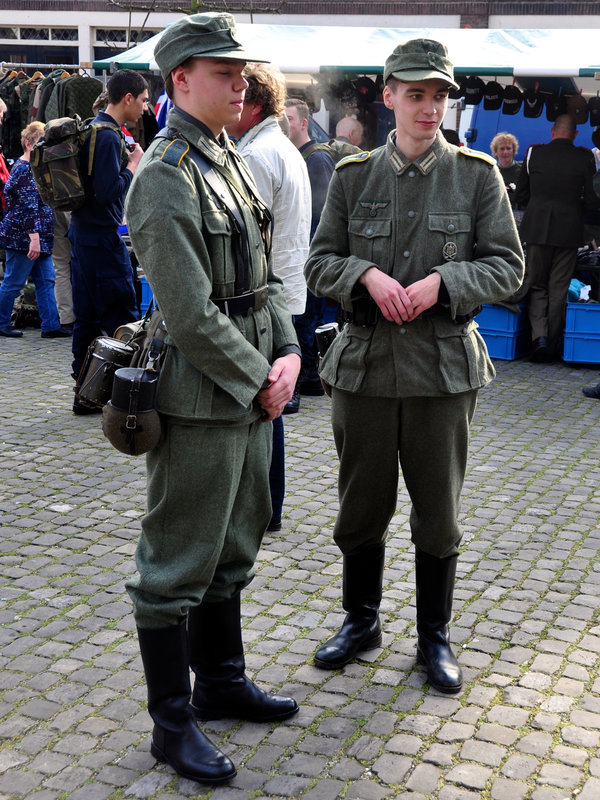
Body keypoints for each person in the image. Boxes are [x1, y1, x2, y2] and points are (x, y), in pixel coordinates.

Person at [304, 38, 524, 694]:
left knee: (439, 512)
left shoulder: (477, 175)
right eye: (417, 94)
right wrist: (365, 274)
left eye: (439, 96)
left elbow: (509, 266)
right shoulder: (352, 176)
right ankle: (361, 621)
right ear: (389, 93)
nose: (429, 108)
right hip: (365, 368)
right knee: (359, 508)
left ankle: (434, 636)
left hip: (442, 370)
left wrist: (444, 283)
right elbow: (317, 263)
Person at [123, 12, 301, 785]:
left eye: (241, 72)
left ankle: (221, 681)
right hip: (203, 397)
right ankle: (171, 723)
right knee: (175, 563)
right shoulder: (164, 175)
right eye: (222, 71)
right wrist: (259, 376)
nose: (240, 82)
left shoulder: (228, 156)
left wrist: (292, 350)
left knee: (236, 543)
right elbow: (189, 310)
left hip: (250, 387)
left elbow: (261, 281)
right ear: (179, 80)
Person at [226, 63, 311, 532]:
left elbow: (246, 237)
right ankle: (267, 506)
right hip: (283, 287)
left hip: (266, 293)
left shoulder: (257, 153)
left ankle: (266, 508)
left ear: (253, 102)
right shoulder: (280, 146)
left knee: (267, 401)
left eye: (239, 92)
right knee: (270, 398)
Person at [69, 69, 147, 414]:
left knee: (86, 317)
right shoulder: (108, 137)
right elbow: (106, 192)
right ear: (127, 98)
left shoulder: (92, 128)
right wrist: (133, 165)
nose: (146, 108)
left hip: (82, 237)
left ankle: (84, 394)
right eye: (143, 100)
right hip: (101, 240)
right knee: (121, 317)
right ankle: (120, 397)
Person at [516, 113, 599, 363]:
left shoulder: (534, 153)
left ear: (552, 131)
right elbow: (593, 200)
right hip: (569, 232)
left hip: (536, 230)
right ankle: (552, 345)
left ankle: (538, 339)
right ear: (574, 134)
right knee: (559, 289)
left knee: (537, 285)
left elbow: (521, 194)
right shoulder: (585, 157)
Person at [0, 122, 70, 339]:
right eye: (41, 143)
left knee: (46, 280)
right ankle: (2, 322)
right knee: (14, 282)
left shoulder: (36, 167)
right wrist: (34, 239)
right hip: (24, 238)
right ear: (29, 144)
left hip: (38, 237)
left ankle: (50, 325)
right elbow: (28, 208)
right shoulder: (24, 170)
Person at [285, 97, 335, 397]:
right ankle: (312, 381)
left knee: (305, 320)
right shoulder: (296, 155)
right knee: (306, 319)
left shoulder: (316, 159)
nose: (284, 124)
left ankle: (303, 384)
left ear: (304, 123)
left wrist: (311, 256)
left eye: (289, 119)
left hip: (309, 256)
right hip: (302, 252)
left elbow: (322, 214)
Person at [490, 132, 522, 210]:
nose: (505, 152)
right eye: (502, 149)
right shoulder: (491, 171)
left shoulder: (522, 169)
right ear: (496, 151)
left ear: (513, 150)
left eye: (508, 148)